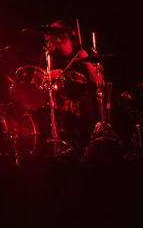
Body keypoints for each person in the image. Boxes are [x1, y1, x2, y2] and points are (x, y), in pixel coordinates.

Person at [40, 21, 101, 155]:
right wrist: (50, 74)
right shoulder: (50, 57)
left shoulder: (82, 53)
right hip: (59, 100)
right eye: (54, 37)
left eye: (59, 36)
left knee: (87, 106)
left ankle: (88, 151)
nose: (56, 40)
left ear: (67, 37)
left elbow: (98, 82)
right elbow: (41, 79)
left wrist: (87, 62)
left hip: (82, 101)